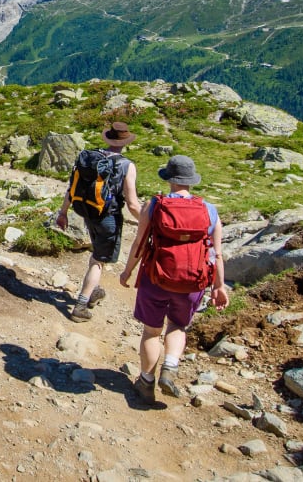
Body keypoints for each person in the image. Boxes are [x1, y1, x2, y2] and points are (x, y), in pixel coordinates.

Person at [120, 154, 229, 405]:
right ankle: (170, 367)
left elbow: (139, 243)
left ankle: (146, 380)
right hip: (192, 282)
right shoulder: (209, 210)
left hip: (155, 278)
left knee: (151, 331)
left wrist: (127, 271)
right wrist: (219, 286)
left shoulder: (155, 205)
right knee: (178, 326)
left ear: (169, 179)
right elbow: (216, 253)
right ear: (191, 181)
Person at [56, 122, 141, 322]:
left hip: (88, 212)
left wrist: (63, 212)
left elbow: (72, 188)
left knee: (97, 253)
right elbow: (132, 203)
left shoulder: (91, 158)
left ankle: (93, 290)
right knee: (98, 261)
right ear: (125, 142)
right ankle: (80, 306)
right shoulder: (126, 165)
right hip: (108, 217)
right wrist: (147, 222)